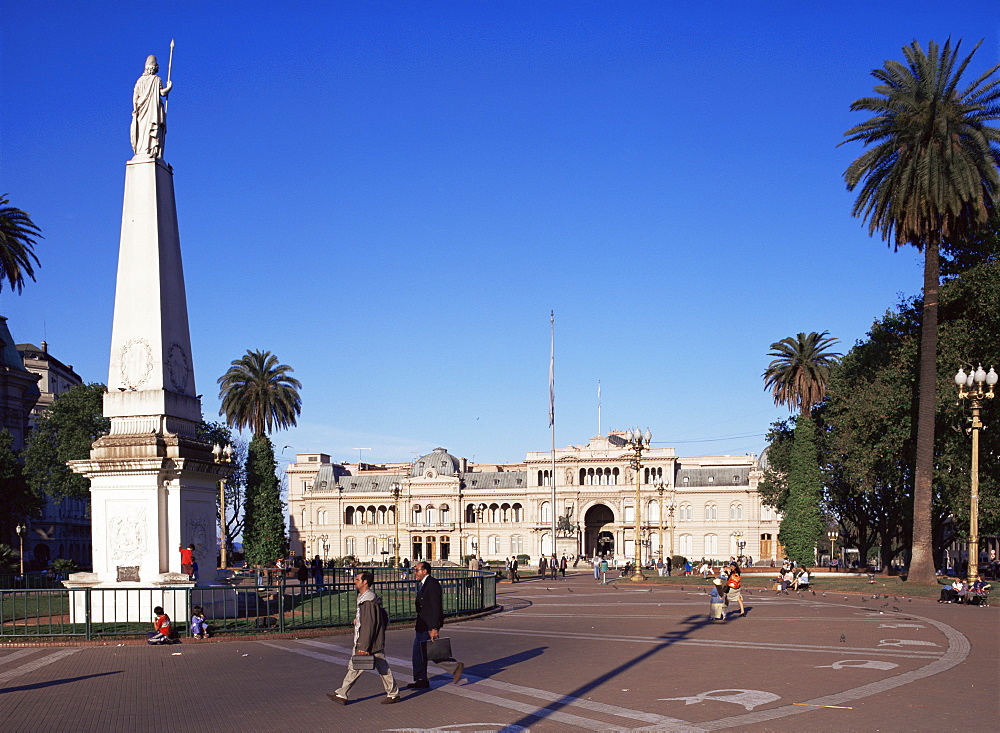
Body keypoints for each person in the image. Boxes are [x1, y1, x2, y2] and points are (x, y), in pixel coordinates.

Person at [328, 571, 399, 705]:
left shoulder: (368, 601)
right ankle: (393, 693)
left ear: (365, 582)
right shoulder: (366, 598)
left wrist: (364, 646)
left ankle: (342, 694)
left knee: (358, 666)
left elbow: (369, 624)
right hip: (370, 640)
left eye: (357, 579)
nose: (355, 581)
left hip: (368, 642)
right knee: (377, 665)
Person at [407, 562, 464, 689]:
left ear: (425, 571)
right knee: (418, 653)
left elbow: (436, 608)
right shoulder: (424, 584)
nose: (415, 573)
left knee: (431, 652)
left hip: (428, 625)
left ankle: (455, 666)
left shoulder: (432, 584)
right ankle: (421, 679)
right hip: (422, 624)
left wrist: (434, 628)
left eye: (417, 570)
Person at [131, 54, 173, 159]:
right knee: (151, 130)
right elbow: (162, 93)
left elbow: (135, 97)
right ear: (154, 67)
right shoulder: (156, 79)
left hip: (142, 111)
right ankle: (152, 149)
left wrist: (136, 109)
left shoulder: (140, 81)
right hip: (153, 111)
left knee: (144, 130)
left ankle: (143, 150)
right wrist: (169, 87)